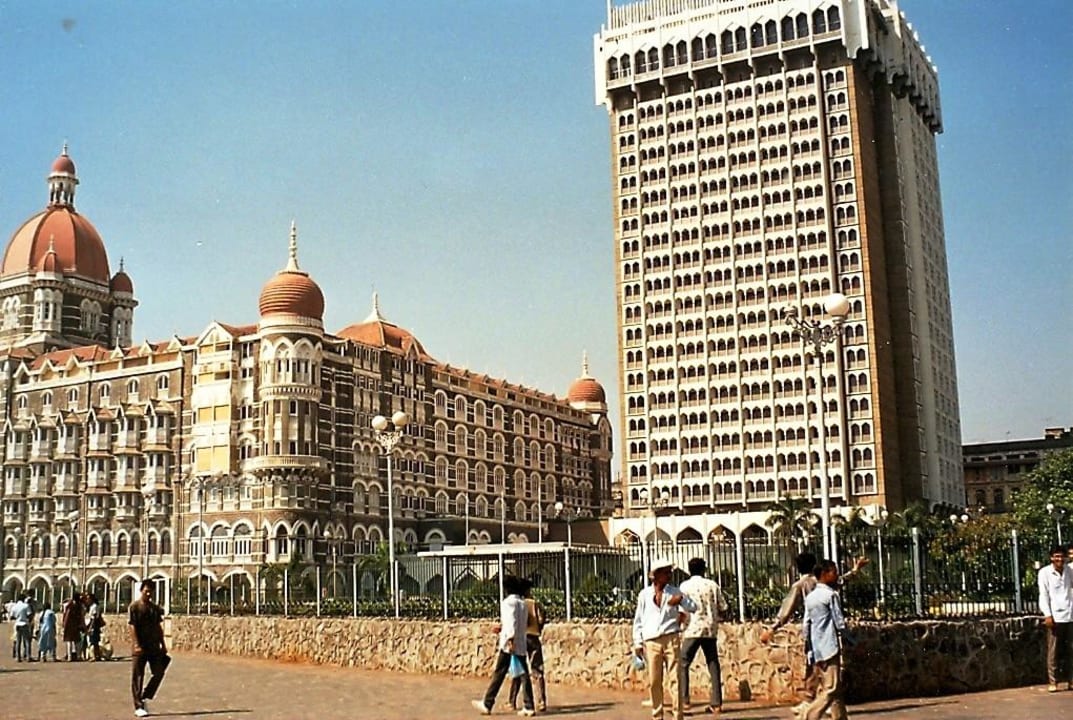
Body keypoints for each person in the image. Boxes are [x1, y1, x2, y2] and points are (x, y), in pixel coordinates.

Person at [760, 552, 867, 713]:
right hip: (827, 633)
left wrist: (773, 627)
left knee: (815, 668)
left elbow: (787, 610)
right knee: (828, 672)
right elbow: (842, 581)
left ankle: (811, 702)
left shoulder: (801, 585)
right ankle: (826, 703)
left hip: (812, 630)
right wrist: (855, 569)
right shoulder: (824, 584)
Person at [633, 558, 697, 720]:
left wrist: (681, 600)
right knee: (654, 680)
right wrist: (637, 643)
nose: (669, 575)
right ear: (656, 575)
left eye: (670, 572)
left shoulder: (675, 592)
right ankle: (657, 714)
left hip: (671, 638)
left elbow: (693, 607)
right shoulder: (644, 595)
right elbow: (638, 620)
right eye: (665, 572)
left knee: (675, 678)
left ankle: (677, 715)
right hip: (651, 640)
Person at [472, 575, 535, 716]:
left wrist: (510, 639)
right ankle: (528, 705)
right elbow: (521, 623)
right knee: (524, 674)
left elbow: (512, 622)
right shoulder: (523, 603)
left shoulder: (508, 603)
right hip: (520, 642)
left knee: (500, 673)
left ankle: (488, 703)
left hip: (509, 644)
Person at [801, 560, 854, 720]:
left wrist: (810, 648)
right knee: (831, 688)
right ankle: (810, 715)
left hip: (817, 647)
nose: (836, 575)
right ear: (824, 574)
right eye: (833, 572)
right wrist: (850, 640)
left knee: (835, 689)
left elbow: (806, 624)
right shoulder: (831, 595)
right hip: (829, 646)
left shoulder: (810, 597)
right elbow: (839, 622)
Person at [678, 557, 728, 715]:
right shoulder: (712, 585)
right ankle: (716, 703)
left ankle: (685, 701)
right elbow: (723, 606)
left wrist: (680, 626)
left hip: (692, 628)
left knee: (683, 663)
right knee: (713, 663)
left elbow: (682, 610)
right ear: (704, 569)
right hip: (710, 628)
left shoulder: (685, 586)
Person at [130, 579, 171, 718]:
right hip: (140, 647)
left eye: (150, 591)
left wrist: (163, 645)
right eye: (146, 591)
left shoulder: (154, 608)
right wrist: (136, 644)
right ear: (141, 590)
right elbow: (132, 626)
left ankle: (145, 695)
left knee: (159, 672)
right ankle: (138, 705)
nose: (148, 594)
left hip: (153, 646)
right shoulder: (135, 607)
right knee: (138, 676)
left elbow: (158, 627)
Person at [1038, 544, 1073, 692]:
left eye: (1061, 556)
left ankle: (1071, 680)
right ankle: (1053, 681)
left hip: (1070, 615)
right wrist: (1047, 615)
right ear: (1051, 558)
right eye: (1056, 556)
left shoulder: (1069, 571)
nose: (1059, 559)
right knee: (1054, 651)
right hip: (1055, 616)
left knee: (1071, 650)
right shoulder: (1044, 573)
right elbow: (1044, 595)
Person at [509, 578, 547, 712]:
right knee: (537, 670)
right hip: (534, 637)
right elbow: (542, 619)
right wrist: (538, 629)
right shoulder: (535, 604)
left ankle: (511, 701)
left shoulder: (518, 604)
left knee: (519, 670)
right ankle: (541, 701)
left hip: (521, 638)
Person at [62, 592, 85, 661]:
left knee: (69, 641)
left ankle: (69, 657)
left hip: (69, 625)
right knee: (77, 641)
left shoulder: (70, 605)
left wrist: (64, 624)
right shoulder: (80, 606)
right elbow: (82, 616)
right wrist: (82, 624)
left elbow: (67, 615)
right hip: (76, 624)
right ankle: (78, 656)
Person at [12, 594, 33, 662]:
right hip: (24, 624)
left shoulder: (15, 606)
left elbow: (12, 616)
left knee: (18, 641)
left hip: (18, 624)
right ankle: (28, 656)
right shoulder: (26, 606)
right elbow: (29, 614)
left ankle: (18, 657)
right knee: (27, 641)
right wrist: (29, 621)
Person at [85, 592, 104, 661]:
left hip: (94, 626)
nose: (87, 600)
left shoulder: (94, 607)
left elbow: (94, 618)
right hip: (93, 625)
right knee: (95, 642)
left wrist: (90, 627)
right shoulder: (92, 606)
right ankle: (97, 655)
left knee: (94, 641)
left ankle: (95, 656)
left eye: (88, 599)